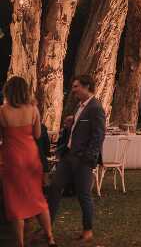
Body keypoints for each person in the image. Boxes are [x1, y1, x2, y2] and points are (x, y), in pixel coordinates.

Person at [47, 74, 106, 243]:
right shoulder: (80, 106)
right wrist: (69, 125)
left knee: (83, 195)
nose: (73, 90)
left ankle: (87, 230)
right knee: (55, 188)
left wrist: (88, 158)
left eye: (76, 87)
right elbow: (78, 131)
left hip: (82, 160)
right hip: (68, 156)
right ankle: (47, 227)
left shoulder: (95, 108)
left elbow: (99, 136)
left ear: (87, 87)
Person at [0, 76, 57, 247]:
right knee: (38, 199)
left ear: (7, 91)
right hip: (31, 157)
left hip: (12, 158)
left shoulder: (2, 111)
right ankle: (50, 238)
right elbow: (38, 135)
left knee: (15, 203)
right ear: (25, 91)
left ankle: (20, 243)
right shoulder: (33, 110)